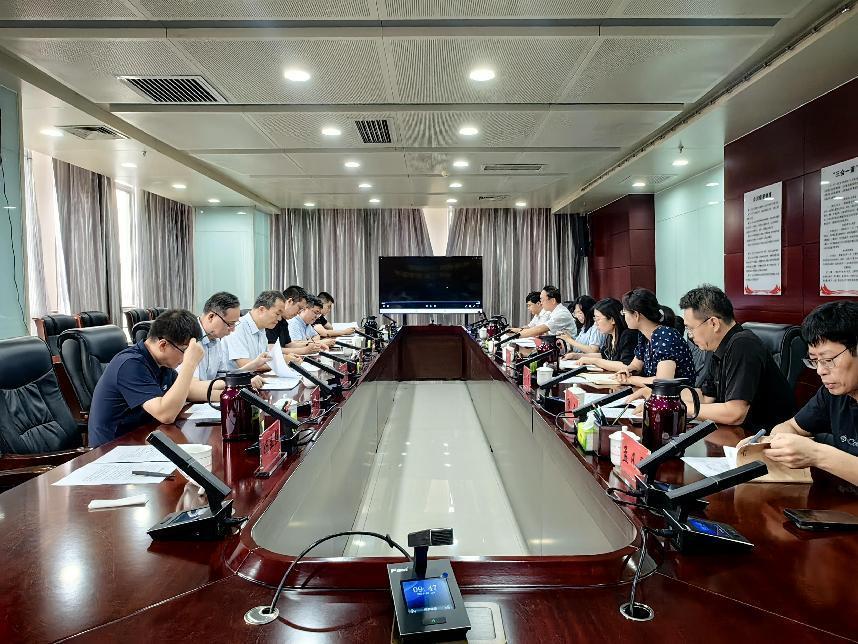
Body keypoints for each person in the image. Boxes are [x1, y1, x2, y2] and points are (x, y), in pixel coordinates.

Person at [737, 302, 858, 486]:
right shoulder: (832, 394)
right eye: (815, 361)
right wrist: (776, 442)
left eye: (827, 360)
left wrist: (817, 455)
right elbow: (791, 426)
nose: (820, 371)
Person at [677, 285, 794, 428]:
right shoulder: (715, 348)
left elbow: (735, 413)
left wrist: (682, 407)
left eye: (690, 329)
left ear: (714, 323)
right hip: (736, 432)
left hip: (767, 435)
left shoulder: (743, 345)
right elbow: (707, 398)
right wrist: (666, 396)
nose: (690, 336)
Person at [88, 309, 206, 447]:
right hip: (113, 449)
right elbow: (166, 415)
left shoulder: (161, 364)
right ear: (163, 345)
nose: (185, 356)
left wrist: (225, 392)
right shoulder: (130, 364)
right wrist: (190, 364)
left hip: (143, 438)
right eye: (185, 351)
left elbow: (188, 391)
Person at [179, 292, 262, 392]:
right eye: (229, 324)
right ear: (211, 317)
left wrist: (244, 378)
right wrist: (239, 382)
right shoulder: (187, 338)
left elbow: (221, 377)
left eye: (235, 324)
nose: (232, 329)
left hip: (207, 397)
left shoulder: (216, 340)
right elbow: (191, 387)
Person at [615, 288, 696, 387]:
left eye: (624, 312)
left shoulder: (665, 336)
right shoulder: (644, 335)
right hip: (656, 393)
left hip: (680, 394)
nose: (624, 316)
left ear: (636, 315)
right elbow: (636, 365)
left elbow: (663, 381)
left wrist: (630, 379)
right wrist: (627, 371)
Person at [223, 290, 284, 370]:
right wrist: (281, 363)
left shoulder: (261, 329)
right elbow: (245, 366)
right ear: (261, 310)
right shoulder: (237, 327)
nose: (279, 319)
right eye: (277, 314)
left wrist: (282, 359)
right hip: (235, 377)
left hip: (254, 376)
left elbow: (265, 360)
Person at [575, 298, 638, 367]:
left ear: (612, 320)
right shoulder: (610, 336)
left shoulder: (628, 336)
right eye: (595, 319)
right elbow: (603, 355)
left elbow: (627, 365)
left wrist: (594, 361)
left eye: (598, 319)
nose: (596, 324)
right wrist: (576, 356)